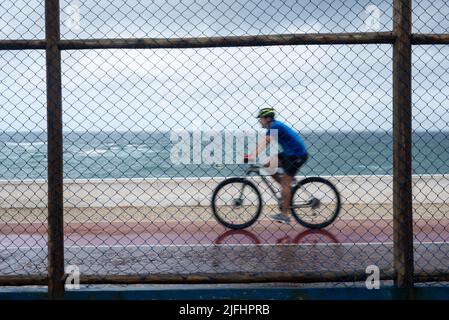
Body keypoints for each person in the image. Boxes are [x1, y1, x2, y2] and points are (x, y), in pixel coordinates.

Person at [245, 108, 308, 224]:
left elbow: (266, 142)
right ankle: (286, 189)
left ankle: (285, 215)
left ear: (268, 118)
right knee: (267, 164)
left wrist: (252, 155)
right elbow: (265, 142)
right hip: (289, 154)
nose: (260, 121)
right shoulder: (273, 127)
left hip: (297, 155)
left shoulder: (276, 126)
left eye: (261, 119)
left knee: (285, 183)